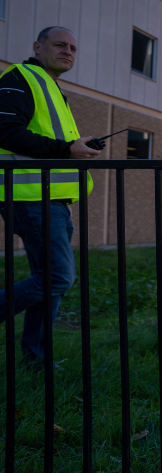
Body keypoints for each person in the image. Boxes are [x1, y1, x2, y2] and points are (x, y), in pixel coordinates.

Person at [0, 26, 99, 369]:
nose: (68, 51)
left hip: (50, 197)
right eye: (60, 45)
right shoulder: (20, 78)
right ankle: (35, 356)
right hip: (31, 196)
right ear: (37, 47)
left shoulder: (50, 86)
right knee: (57, 277)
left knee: (49, 280)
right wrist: (66, 149)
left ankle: (36, 359)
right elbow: (5, 131)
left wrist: (75, 148)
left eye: (73, 47)